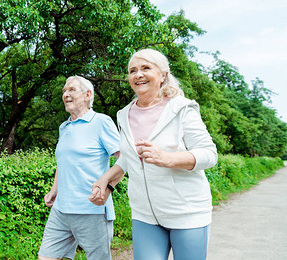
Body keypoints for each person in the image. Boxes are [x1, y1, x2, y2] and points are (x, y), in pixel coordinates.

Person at [89, 49, 218, 260]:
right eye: (132, 71)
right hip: (145, 215)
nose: (138, 74)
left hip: (187, 213)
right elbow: (130, 159)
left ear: (163, 74)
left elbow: (209, 154)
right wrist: (106, 181)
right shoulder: (123, 115)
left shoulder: (182, 108)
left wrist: (167, 158)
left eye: (145, 68)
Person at [38, 76, 121, 260]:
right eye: (64, 91)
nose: (66, 94)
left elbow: (125, 160)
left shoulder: (101, 122)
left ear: (87, 95)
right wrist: (54, 189)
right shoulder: (64, 127)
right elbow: (63, 161)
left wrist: (107, 186)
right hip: (61, 210)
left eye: (71, 90)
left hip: (91, 210)